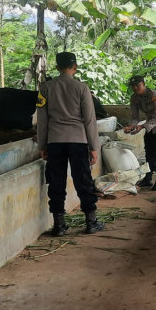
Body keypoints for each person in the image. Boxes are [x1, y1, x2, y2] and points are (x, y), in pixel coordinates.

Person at [37, 52, 104, 236]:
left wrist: (42, 145)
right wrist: (94, 147)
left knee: (56, 182)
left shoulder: (45, 88)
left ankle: (59, 225)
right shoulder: (82, 88)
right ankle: (91, 222)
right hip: (78, 141)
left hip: (55, 142)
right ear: (74, 67)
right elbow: (90, 120)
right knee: (83, 181)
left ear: (57, 67)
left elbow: (42, 120)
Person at [124, 75, 156, 191]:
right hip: (150, 126)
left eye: (138, 85)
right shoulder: (134, 98)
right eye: (133, 86)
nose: (135, 88)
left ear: (143, 84)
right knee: (149, 152)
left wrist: (142, 126)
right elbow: (135, 116)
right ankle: (148, 178)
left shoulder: (153, 95)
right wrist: (132, 126)